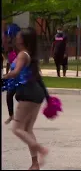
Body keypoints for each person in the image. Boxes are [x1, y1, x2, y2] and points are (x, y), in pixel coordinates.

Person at [2, 27, 49, 169]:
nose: (16, 37)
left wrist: (4, 76)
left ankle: (40, 149)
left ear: (24, 40)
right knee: (27, 129)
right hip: (35, 94)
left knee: (17, 128)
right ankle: (35, 163)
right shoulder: (28, 55)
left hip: (28, 94)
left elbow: (15, 72)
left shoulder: (23, 55)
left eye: (19, 36)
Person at [4, 47, 18, 125]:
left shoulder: (22, 54)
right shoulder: (11, 54)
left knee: (20, 97)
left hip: (21, 79)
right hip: (13, 79)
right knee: (9, 95)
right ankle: (11, 115)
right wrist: (7, 74)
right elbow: (8, 64)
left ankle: (25, 117)